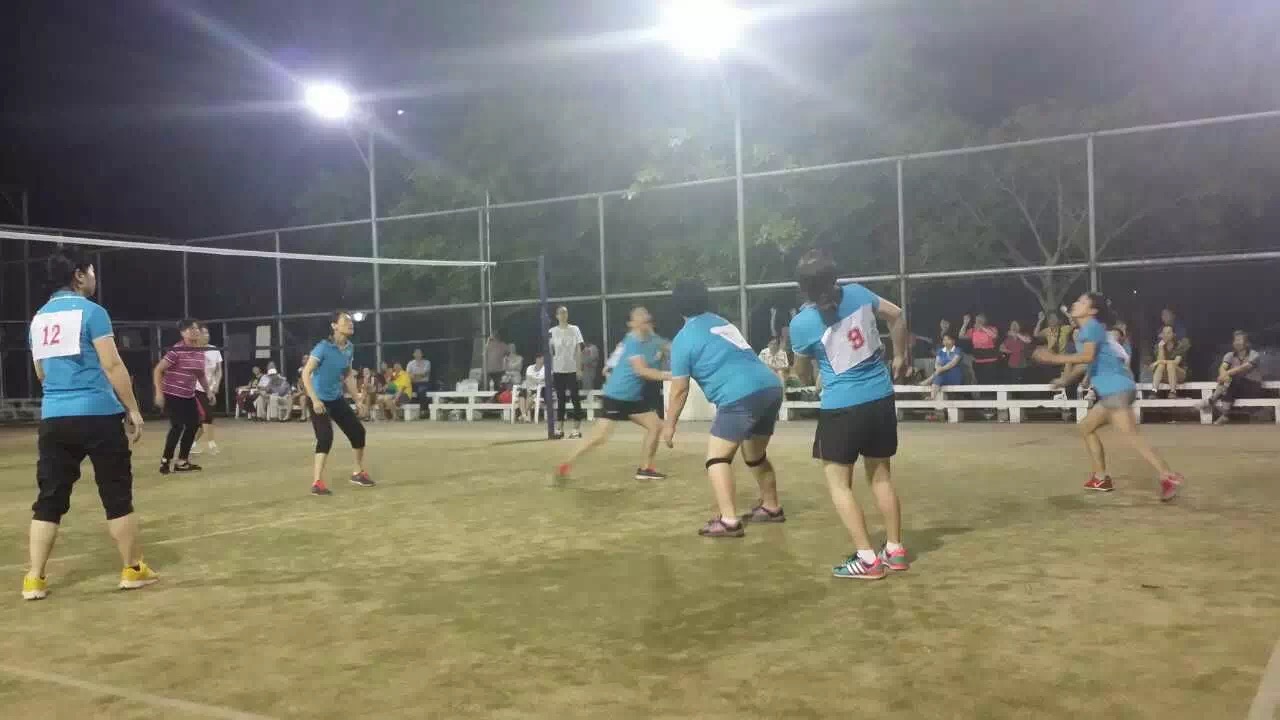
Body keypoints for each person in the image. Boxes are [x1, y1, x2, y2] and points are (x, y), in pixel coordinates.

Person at [22, 250, 157, 600]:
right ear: (79, 276)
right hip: (98, 415)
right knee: (116, 494)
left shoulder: (38, 318)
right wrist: (133, 409)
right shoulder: (92, 312)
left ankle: (35, 578)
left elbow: (41, 372)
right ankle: (132, 570)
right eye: (92, 272)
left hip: (54, 417)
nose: (95, 278)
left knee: (49, 498)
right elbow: (112, 365)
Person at [788, 250, 910, 580]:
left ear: (803, 288)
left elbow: (801, 371)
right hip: (880, 398)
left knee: (839, 485)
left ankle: (867, 559)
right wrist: (900, 355)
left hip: (842, 407)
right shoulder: (857, 293)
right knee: (881, 477)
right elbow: (897, 316)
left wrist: (811, 377)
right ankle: (895, 550)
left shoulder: (802, 323)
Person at [662, 280, 786, 538]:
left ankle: (729, 521)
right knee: (754, 455)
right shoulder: (722, 322)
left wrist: (669, 425)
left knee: (716, 459)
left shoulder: (682, 340)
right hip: (770, 387)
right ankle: (771, 507)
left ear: (677, 307)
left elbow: (679, 389)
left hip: (739, 395)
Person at [1033, 292, 1183, 500]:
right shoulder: (1088, 330)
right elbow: (1087, 363)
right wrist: (1065, 380)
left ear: (1092, 310)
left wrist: (1053, 358)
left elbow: (1087, 357)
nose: (1076, 303)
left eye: (1082, 301)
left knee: (1132, 436)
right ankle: (1100, 478)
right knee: (1086, 428)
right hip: (1114, 389)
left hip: (1116, 388)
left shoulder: (1091, 327)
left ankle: (1168, 475)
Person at [557, 307, 670, 480]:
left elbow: (671, 347)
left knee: (655, 426)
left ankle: (645, 469)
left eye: (646, 317)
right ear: (632, 324)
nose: (644, 320)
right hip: (616, 396)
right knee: (600, 437)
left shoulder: (653, 339)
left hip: (633, 398)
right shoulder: (632, 341)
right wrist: (671, 375)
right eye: (639, 318)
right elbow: (641, 371)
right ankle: (566, 463)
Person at [300, 311, 374, 496]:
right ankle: (317, 482)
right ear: (334, 326)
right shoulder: (323, 348)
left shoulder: (349, 348)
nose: (350, 323)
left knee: (358, 432)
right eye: (345, 320)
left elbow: (347, 374)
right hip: (318, 398)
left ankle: (357, 473)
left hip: (335, 398)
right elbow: (306, 373)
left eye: (351, 320)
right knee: (325, 437)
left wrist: (357, 399)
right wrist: (315, 400)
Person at [151, 319, 210, 475]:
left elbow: (200, 374)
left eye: (196, 329)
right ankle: (165, 461)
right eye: (190, 329)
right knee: (177, 426)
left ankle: (182, 461)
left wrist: (208, 391)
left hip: (188, 395)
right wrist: (159, 392)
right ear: (183, 333)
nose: (194, 331)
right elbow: (158, 370)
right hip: (172, 394)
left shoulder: (200, 352)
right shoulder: (176, 350)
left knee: (194, 425)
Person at [1205, 330, 1263, 425]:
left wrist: (1225, 374)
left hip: (1252, 387)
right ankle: (1224, 415)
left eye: (1239, 340)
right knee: (1230, 382)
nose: (1237, 342)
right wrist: (1223, 374)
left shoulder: (1254, 354)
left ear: (1247, 343)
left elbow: (1242, 368)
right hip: (1235, 386)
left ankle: (1211, 401)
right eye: (1235, 340)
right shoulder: (1229, 355)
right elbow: (1222, 367)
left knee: (1232, 379)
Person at [548, 306, 586, 439]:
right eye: (561, 313)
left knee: (575, 398)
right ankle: (559, 428)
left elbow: (578, 349)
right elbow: (550, 351)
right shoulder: (552, 331)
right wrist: (551, 369)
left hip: (572, 368)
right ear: (556, 316)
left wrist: (579, 368)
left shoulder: (574, 329)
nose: (563, 315)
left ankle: (576, 429)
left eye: (565, 312)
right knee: (560, 399)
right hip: (558, 369)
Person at [191, 325, 222, 455]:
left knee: (203, 420)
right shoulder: (193, 350)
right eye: (203, 333)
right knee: (206, 416)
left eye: (207, 333)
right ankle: (211, 443)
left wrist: (216, 385)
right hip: (196, 389)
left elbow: (218, 370)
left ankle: (190, 443)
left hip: (210, 389)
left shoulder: (214, 350)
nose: (206, 335)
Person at [921, 332, 963, 415]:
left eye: (948, 339)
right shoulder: (940, 351)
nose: (946, 341)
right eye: (944, 340)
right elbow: (936, 364)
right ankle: (932, 397)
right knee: (939, 376)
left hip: (954, 375)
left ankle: (928, 380)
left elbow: (952, 364)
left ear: (953, 341)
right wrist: (939, 369)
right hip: (942, 375)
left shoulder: (958, 350)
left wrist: (940, 369)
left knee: (939, 374)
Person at [960, 312, 1001, 384]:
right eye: (977, 319)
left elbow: (994, 336)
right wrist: (965, 324)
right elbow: (961, 336)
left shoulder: (992, 328)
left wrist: (982, 327)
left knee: (991, 381)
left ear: (985, 320)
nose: (978, 321)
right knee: (980, 381)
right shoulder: (973, 330)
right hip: (978, 360)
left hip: (991, 360)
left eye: (980, 319)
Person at [1150, 325, 1190, 397]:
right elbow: (1160, 360)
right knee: (1161, 365)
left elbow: (1176, 362)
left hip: (1179, 374)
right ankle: (1154, 391)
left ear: (1173, 334)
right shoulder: (1158, 346)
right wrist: (1161, 347)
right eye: (1164, 333)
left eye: (1168, 333)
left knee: (1170, 364)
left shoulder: (1180, 345)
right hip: (1165, 376)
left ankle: (1173, 392)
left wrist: (1158, 362)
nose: (1166, 335)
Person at [517, 353, 546, 423]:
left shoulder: (545, 369)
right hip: (529, 387)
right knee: (522, 394)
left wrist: (533, 379)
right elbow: (528, 379)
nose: (541, 360)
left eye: (542, 358)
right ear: (536, 359)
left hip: (539, 389)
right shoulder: (530, 368)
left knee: (531, 395)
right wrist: (529, 387)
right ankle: (524, 416)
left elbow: (541, 380)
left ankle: (522, 416)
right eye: (539, 358)